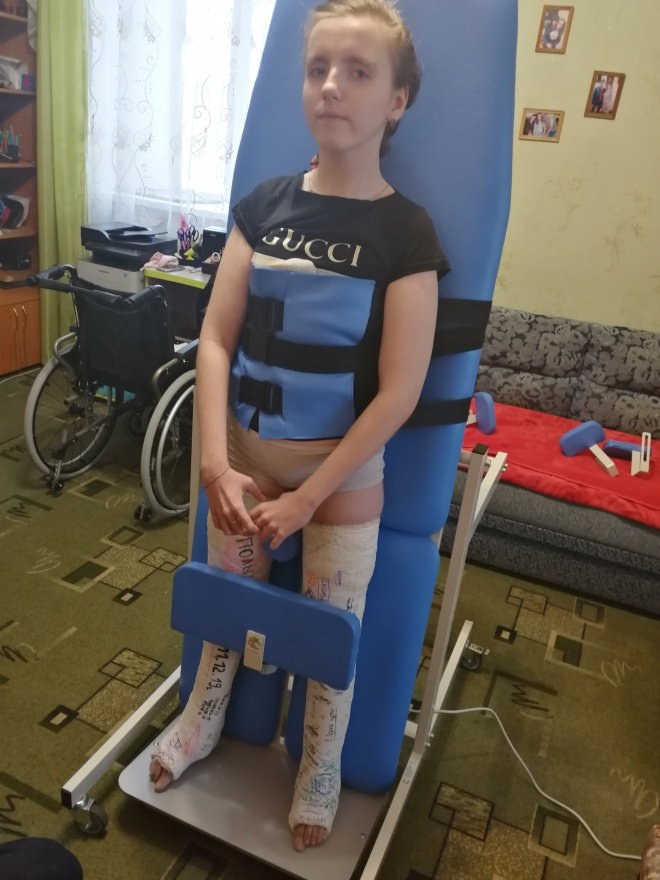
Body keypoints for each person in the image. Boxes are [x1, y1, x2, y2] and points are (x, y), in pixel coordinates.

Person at [149, 0, 449, 854]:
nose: (332, 86)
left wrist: (310, 497)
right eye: (319, 68)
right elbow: (215, 338)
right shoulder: (264, 205)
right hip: (242, 464)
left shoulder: (407, 233)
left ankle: (318, 764)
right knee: (221, 615)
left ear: (397, 100)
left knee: (327, 640)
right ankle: (202, 720)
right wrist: (215, 466)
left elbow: (399, 394)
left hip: (341, 484)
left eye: (358, 72)